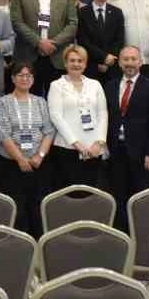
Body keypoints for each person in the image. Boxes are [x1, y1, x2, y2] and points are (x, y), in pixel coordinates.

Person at [0, 61, 57, 233]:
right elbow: (3, 134)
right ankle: (17, 246)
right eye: (20, 75)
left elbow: (49, 131)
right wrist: (20, 159)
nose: (25, 79)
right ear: (13, 78)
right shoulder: (2, 102)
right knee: (16, 210)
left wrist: (40, 155)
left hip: (38, 164)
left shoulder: (40, 102)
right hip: (10, 165)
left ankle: (38, 244)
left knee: (38, 209)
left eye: (29, 75)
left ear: (33, 79)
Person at [104, 46, 149, 216]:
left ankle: (141, 230)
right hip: (116, 151)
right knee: (117, 196)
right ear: (119, 63)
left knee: (140, 198)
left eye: (133, 59)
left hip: (142, 153)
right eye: (125, 59)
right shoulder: (110, 86)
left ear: (141, 62)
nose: (129, 63)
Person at [12, 0, 79, 95]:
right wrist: (39, 42)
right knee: (29, 98)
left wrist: (53, 43)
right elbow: (17, 22)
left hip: (57, 56)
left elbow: (72, 24)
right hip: (29, 56)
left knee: (58, 100)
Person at [45, 44, 108, 190]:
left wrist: (99, 142)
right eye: (72, 60)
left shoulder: (95, 84)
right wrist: (76, 143)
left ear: (85, 64)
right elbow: (56, 116)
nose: (76, 64)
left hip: (94, 148)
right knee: (69, 192)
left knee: (92, 191)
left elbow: (103, 114)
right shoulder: (56, 85)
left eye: (80, 61)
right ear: (65, 63)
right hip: (67, 148)